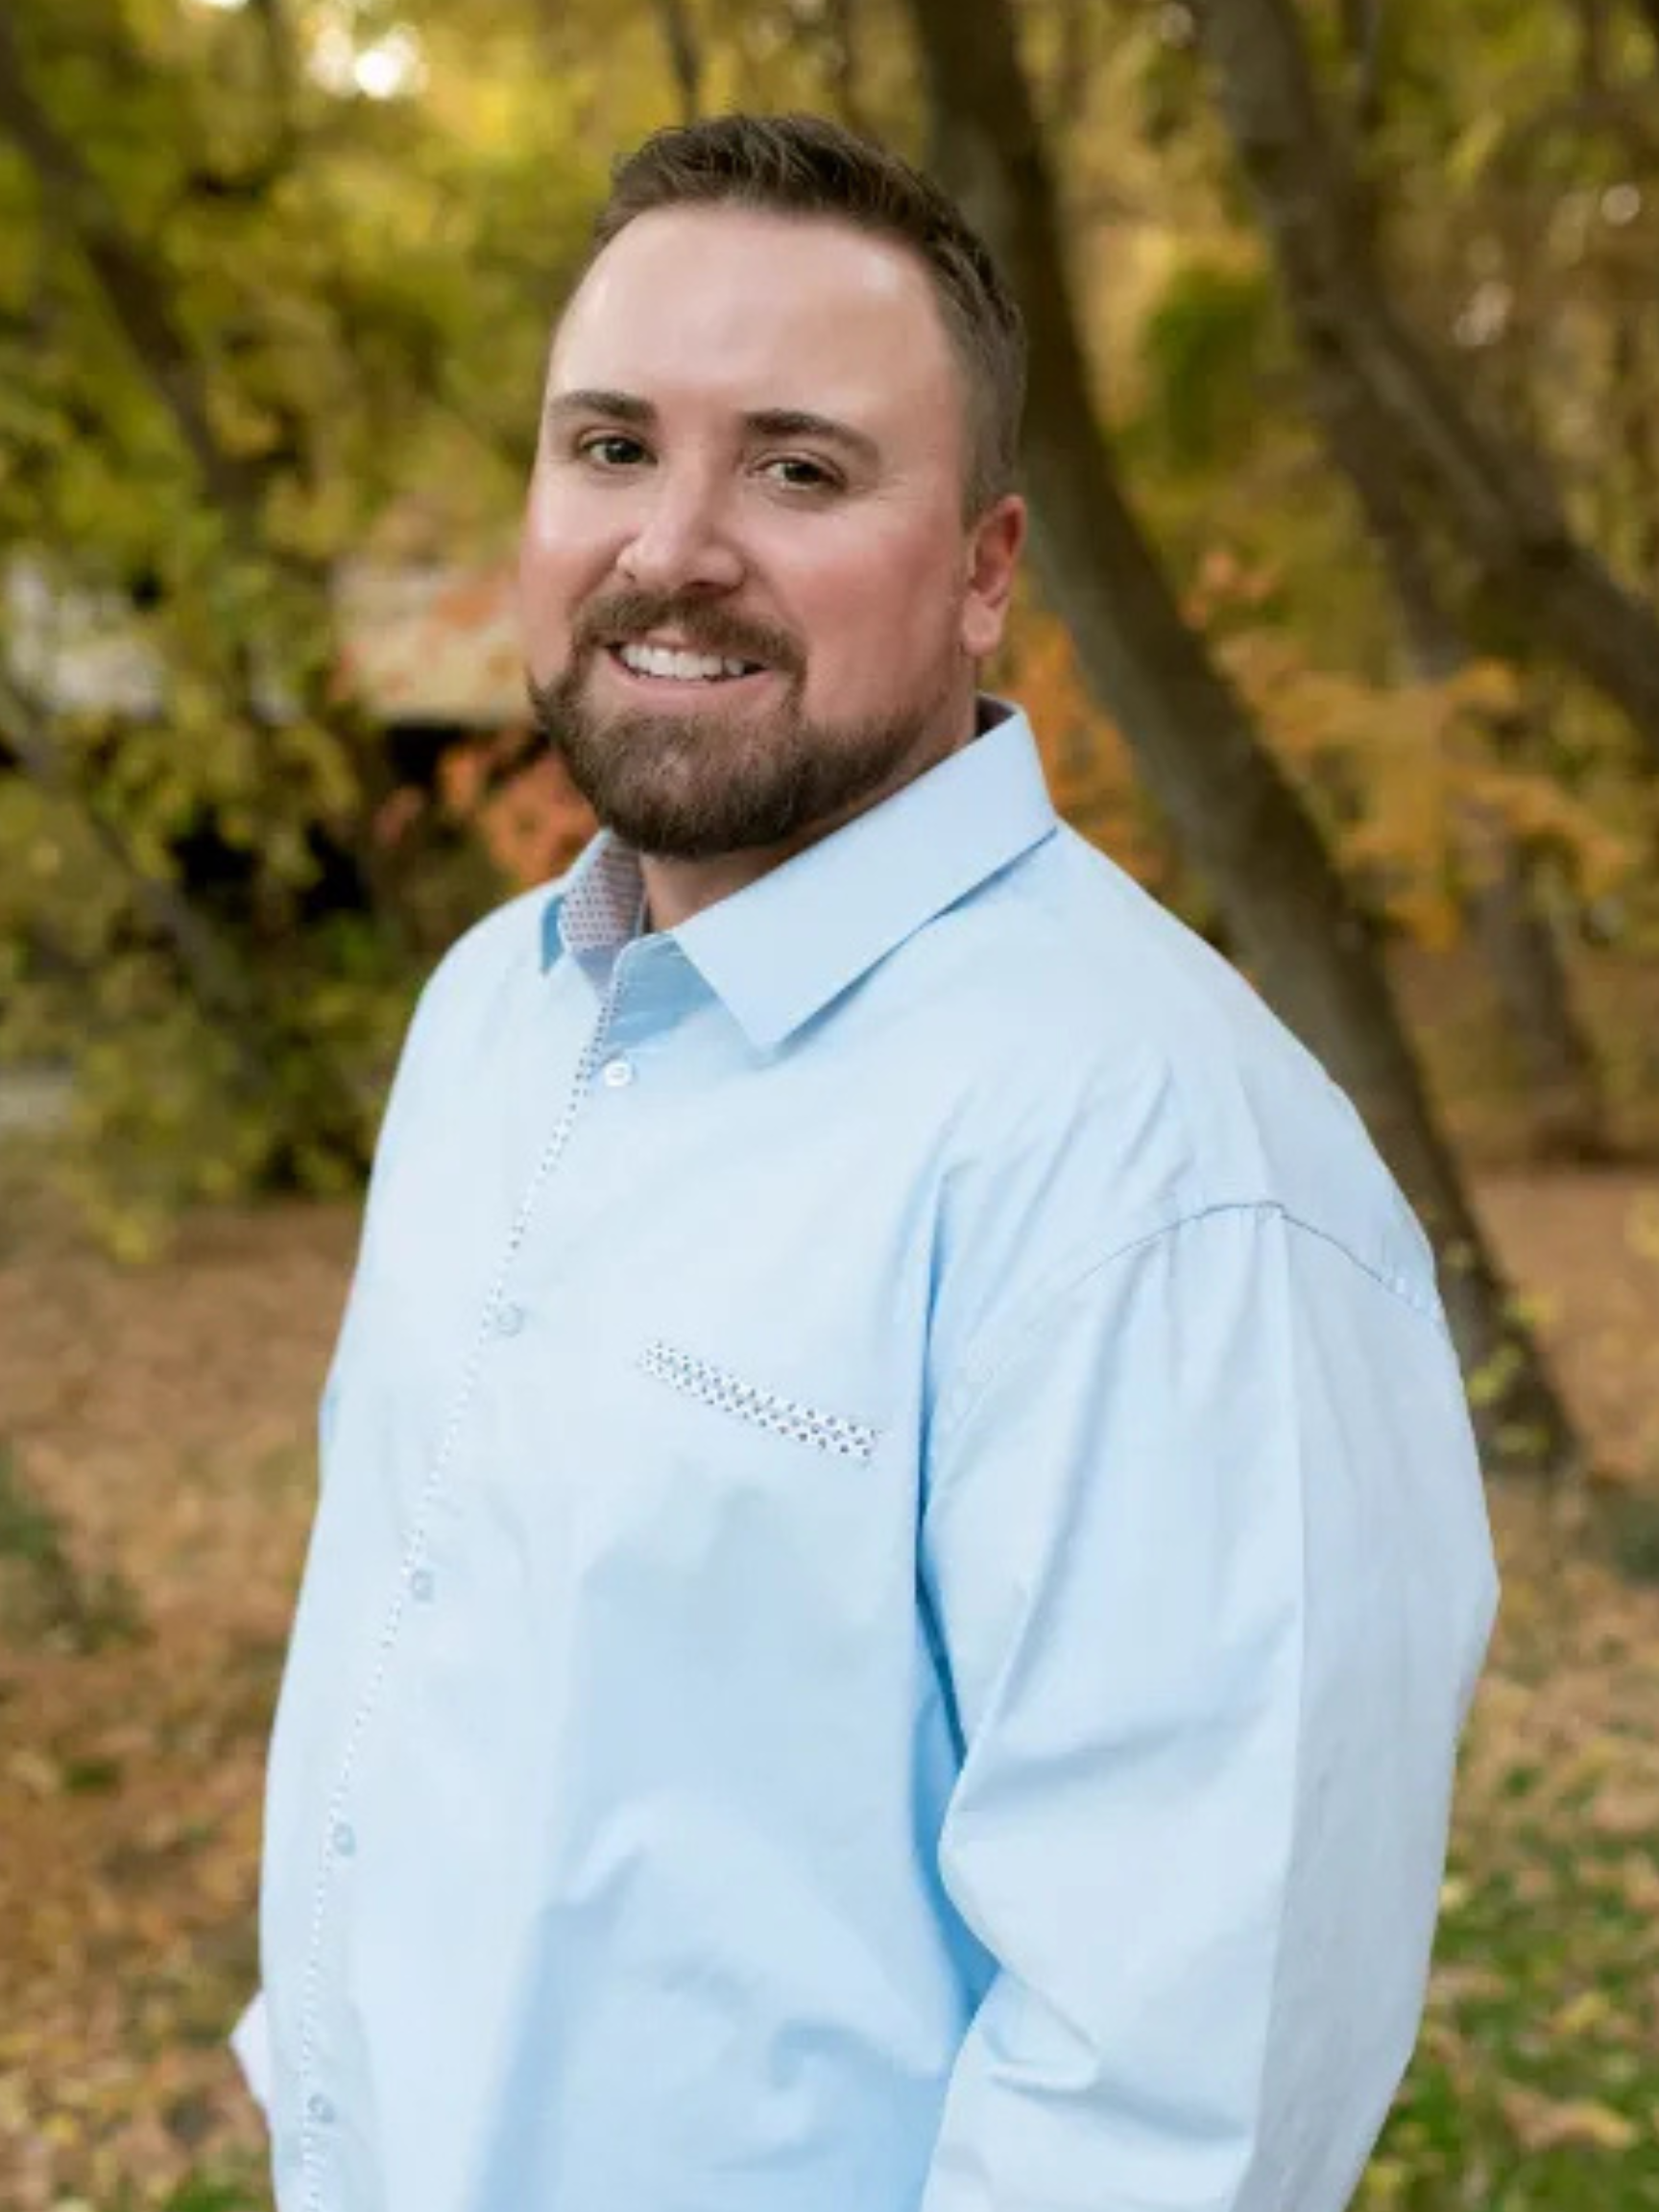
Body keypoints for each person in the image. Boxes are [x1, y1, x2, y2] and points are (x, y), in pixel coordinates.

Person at [236, 109, 1499, 2212]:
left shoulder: (1156, 1170)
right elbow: (432, 1625)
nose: (674, 547)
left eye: (800, 468)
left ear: (989, 571)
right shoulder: (495, 1010)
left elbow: (1178, 2089)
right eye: (613, 447)